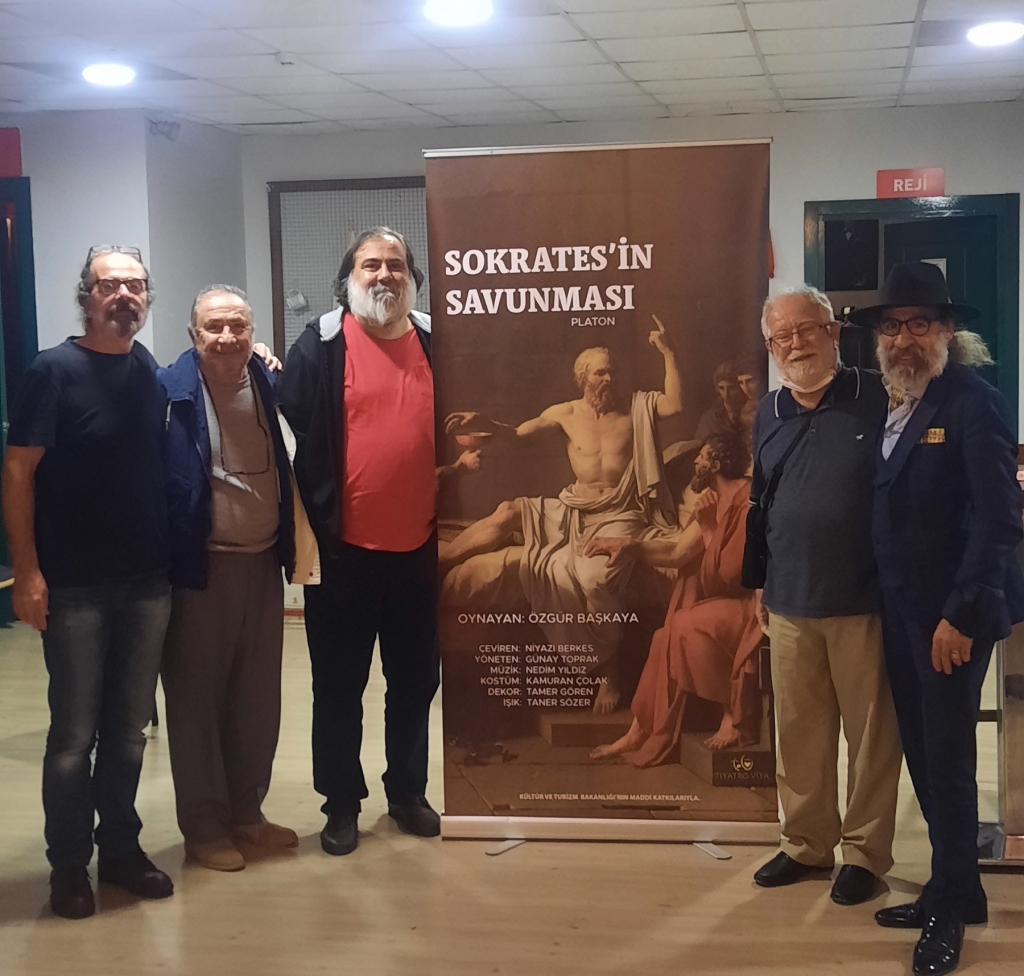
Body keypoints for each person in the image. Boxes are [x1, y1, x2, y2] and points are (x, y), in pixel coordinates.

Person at [851, 262, 1024, 976]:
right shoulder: (896, 404)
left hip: (951, 618)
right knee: (924, 754)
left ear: (948, 331)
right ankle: (959, 888)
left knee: (948, 763)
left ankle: (948, 910)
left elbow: (1000, 519)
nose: (904, 338)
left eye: (920, 323)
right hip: (901, 611)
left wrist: (959, 614)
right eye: (893, 326)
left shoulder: (974, 402)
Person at [2, 246, 174, 919]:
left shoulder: (147, 368)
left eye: (135, 284)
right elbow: (18, 473)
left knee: (128, 730)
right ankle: (69, 865)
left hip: (147, 582)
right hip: (72, 585)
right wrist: (26, 572)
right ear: (86, 296)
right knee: (74, 735)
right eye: (110, 285)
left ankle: (121, 851)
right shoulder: (51, 370)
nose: (124, 295)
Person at [281, 227, 441, 857]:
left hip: (421, 552)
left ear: (412, 278)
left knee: (415, 683)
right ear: (349, 278)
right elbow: (290, 418)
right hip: (342, 554)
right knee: (338, 688)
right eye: (370, 265)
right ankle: (341, 804)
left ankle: (407, 793)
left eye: (396, 265)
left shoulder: (436, 341)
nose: (384, 275)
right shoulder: (320, 344)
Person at [750, 285, 902, 907]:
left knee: (871, 739)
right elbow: (761, 500)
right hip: (788, 599)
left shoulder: (879, 395)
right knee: (799, 733)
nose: (795, 345)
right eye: (781, 337)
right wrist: (760, 584)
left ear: (833, 331)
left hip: (865, 599)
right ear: (770, 347)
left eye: (806, 330)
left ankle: (864, 854)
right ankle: (806, 844)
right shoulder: (769, 411)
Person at [442, 324, 683, 713]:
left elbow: (675, 405)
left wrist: (667, 352)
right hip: (574, 507)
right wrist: (484, 422)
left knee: (596, 577)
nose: (609, 379)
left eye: (612, 371)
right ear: (583, 378)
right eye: (600, 373)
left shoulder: (637, 406)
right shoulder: (566, 413)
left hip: (621, 512)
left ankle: (608, 671)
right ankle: (441, 561)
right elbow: (519, 434)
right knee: (507, 512)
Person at [158, 285, 299, 872]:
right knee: (197, 703)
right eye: (214, 326)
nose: (226, 337)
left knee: (256, 701)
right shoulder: (168, 393)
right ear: (193, 334)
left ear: (252, 333)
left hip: (262, 564)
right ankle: (205, 828)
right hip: (200, 571)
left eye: (238, 326)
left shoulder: (265, 379)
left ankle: (247, 814)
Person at [587, 431, 762, 763]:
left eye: (702, 456)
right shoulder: (713, 500)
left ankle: (733, 715)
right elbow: (677, 552)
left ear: (717, 464)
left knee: (683, 624)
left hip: (751, 607)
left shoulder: (748, 500)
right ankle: (639, 731)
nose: (696, 461)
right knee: (661, 638)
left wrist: (709, 529)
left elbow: (732, 576)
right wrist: (629, 546)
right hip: (723, 602)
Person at [694, 360, 747, 442]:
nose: (726, 394)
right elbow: (698, 445)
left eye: (731, 388)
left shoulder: (751, 411)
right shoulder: (710, 418)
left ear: (740, 387)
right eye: (721, 388)